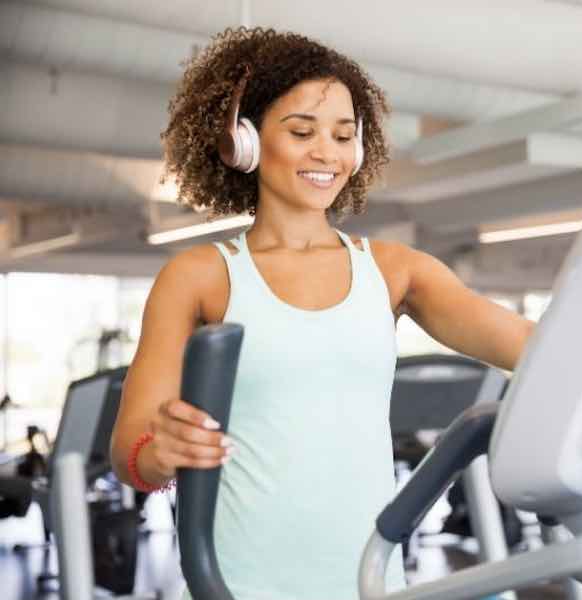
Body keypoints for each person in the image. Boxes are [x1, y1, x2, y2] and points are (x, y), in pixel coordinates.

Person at [109, 27, 535, 599]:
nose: (325, 154)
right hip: (235, 585)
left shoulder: (396, 271)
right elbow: (128, 451)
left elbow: (533, 346)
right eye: (302, 132)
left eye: (342, 135)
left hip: (367, 583)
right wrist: (160, 453)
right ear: (245, 140)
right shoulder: (200, 276)